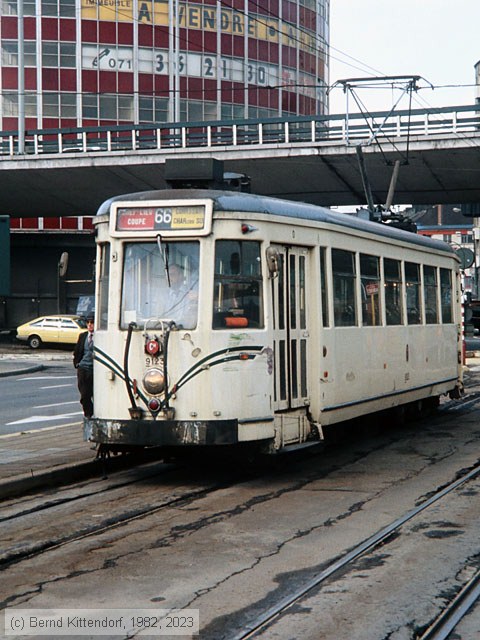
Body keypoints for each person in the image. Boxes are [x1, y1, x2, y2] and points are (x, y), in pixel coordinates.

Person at [73, 314, 95, 418]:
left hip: (94, 370)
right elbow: (77, 351)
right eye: (88, 323)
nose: (90, 325)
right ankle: (88, 414)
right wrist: (77, 363)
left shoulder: (100, 336)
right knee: (84, 395)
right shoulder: (83, 336)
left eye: (92, 323)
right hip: (83, 368)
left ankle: (93, 413)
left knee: (93, 393)